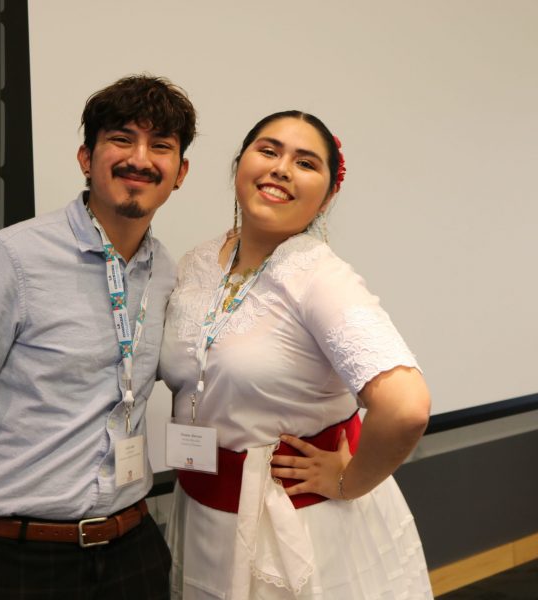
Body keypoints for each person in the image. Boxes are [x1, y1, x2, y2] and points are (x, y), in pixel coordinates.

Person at [0, 74, 196, 600]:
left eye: (160, 146)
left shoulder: (166, 276)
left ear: (179, 174)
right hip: (21, 559)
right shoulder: (11, 261)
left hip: (133, 549)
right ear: (85, 159)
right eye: (120, 139)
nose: (140, 158)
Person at [160, 111, 433, 599]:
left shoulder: (320, 277)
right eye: (268, 151)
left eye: (305, 162)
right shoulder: (199, 262)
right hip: (202, 509)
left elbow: (406, 406)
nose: (281, 168)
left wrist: (349, 481)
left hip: (299, 528)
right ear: (238, 165)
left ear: (328, 195)